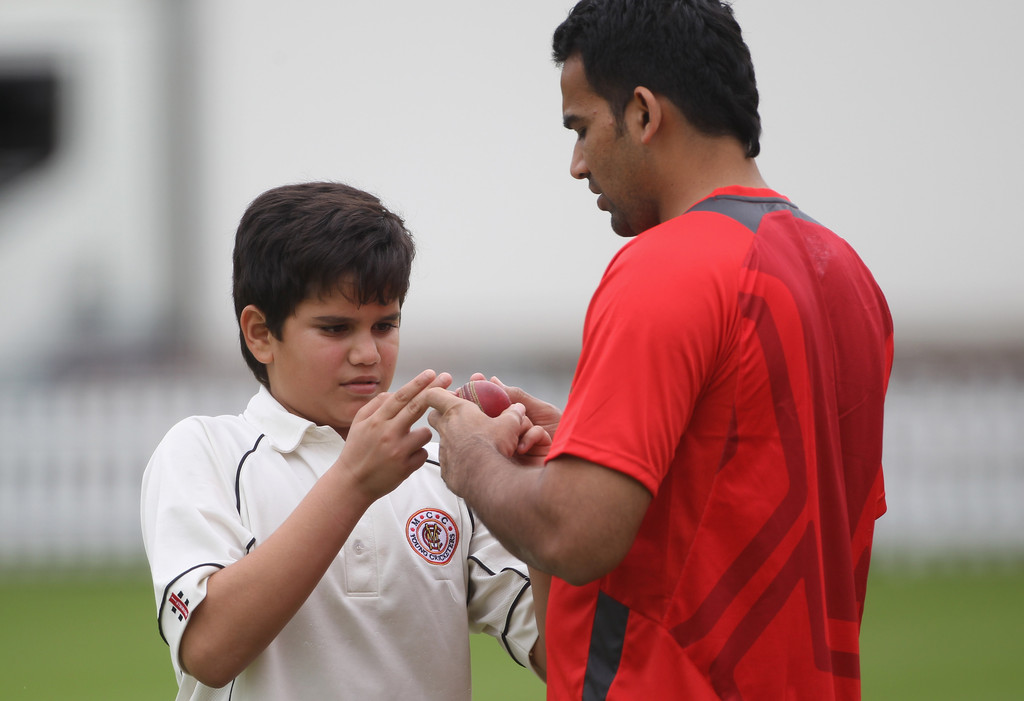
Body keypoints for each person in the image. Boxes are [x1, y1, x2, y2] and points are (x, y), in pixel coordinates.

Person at [419, 1, 894, 699]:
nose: (577, 165)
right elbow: (744, 489)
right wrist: (580, 444)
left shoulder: (667, 265)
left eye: (581, 128)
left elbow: (575, 532)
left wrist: (470, 460)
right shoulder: (850, 277)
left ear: (643, 113)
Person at [140, 181, 546, 700]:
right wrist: (354, 482)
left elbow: (564, 658)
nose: (368, 354)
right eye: (335, 329)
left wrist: (536, 494)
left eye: (384, 324)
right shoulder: (205, 451)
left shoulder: (444, 469)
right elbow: (209, 649)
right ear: (260, 333)